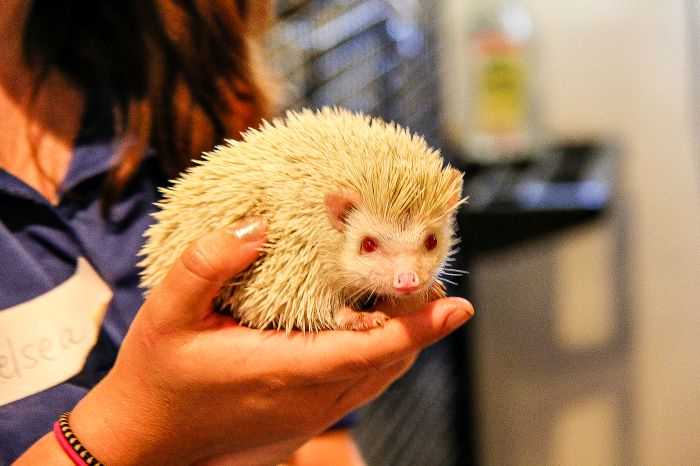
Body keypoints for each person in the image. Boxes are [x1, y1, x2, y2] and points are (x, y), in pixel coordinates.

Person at [0, 1, 474, 465]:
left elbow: (322, 445)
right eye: (372, 247)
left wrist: (313, 403)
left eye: (428, 245)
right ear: (340, 215)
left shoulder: (166, 72)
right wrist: (134, 425)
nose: (408, 276)